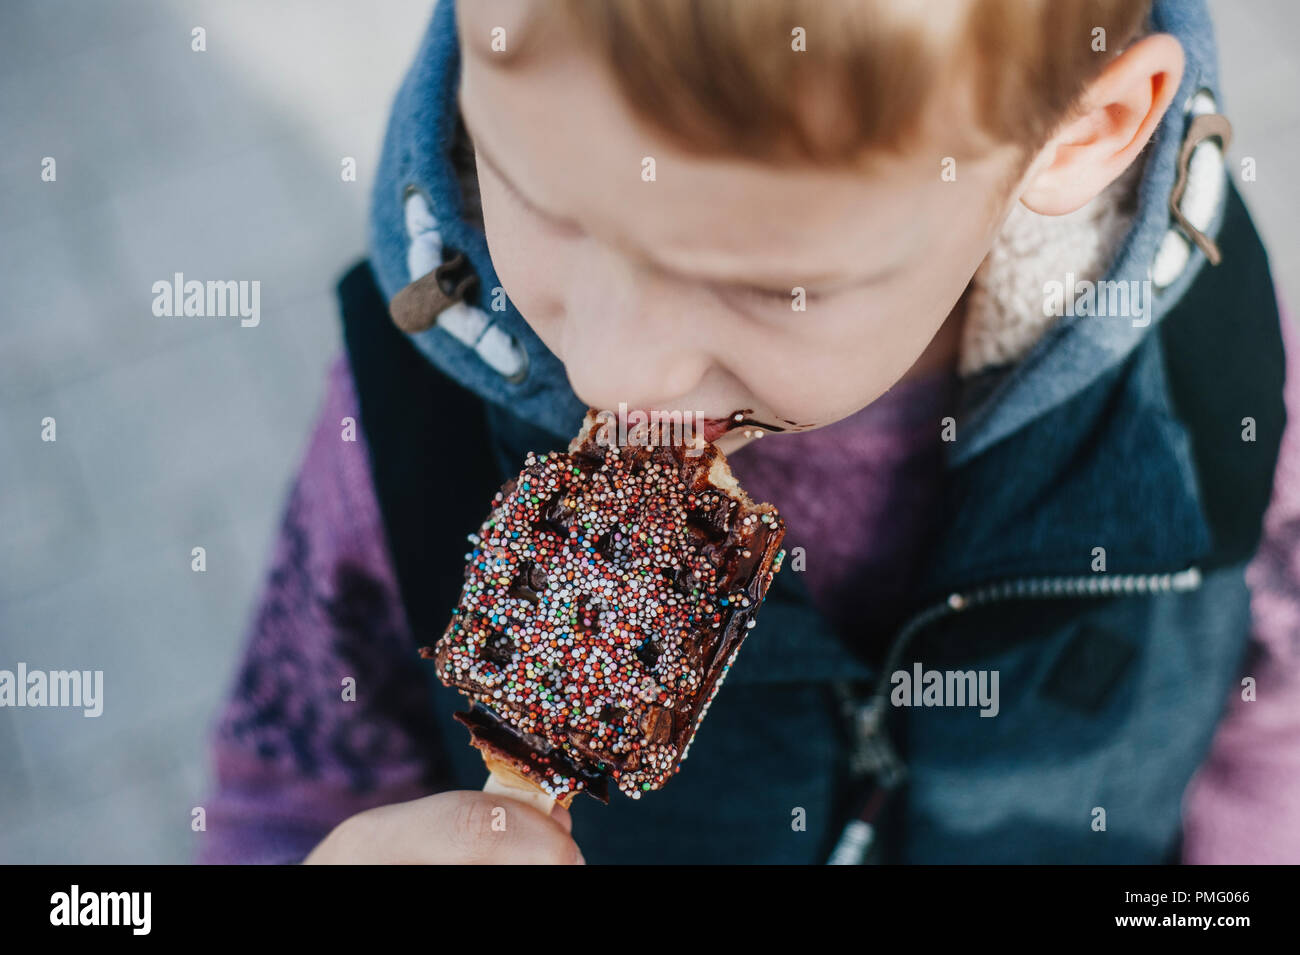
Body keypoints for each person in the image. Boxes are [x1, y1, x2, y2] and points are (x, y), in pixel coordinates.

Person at [200, 0, 1300, 864]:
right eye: (543, 201)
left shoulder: (1214, 400)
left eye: (770, 290)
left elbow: (1277, 733)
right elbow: (287, 779)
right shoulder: (406, 425)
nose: (612, 372)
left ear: (1080, 135)